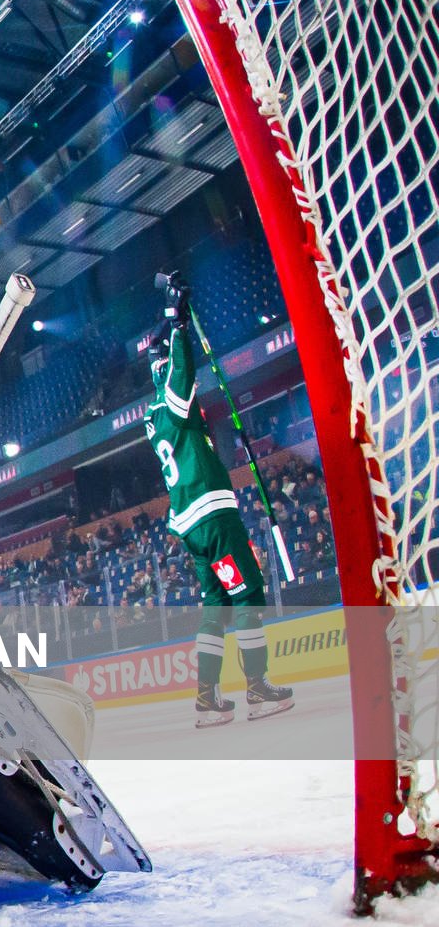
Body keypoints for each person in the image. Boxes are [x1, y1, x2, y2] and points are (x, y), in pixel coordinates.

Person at [145, 277, 294, 727]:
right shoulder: (172, 406)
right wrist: (178, 326)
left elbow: (174, 383)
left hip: (190, 523)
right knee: (248, 594)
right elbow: (181, 376)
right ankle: (257, 686)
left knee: (217, 606)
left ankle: (207, 698)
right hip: (212, 513)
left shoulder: (154, 418)